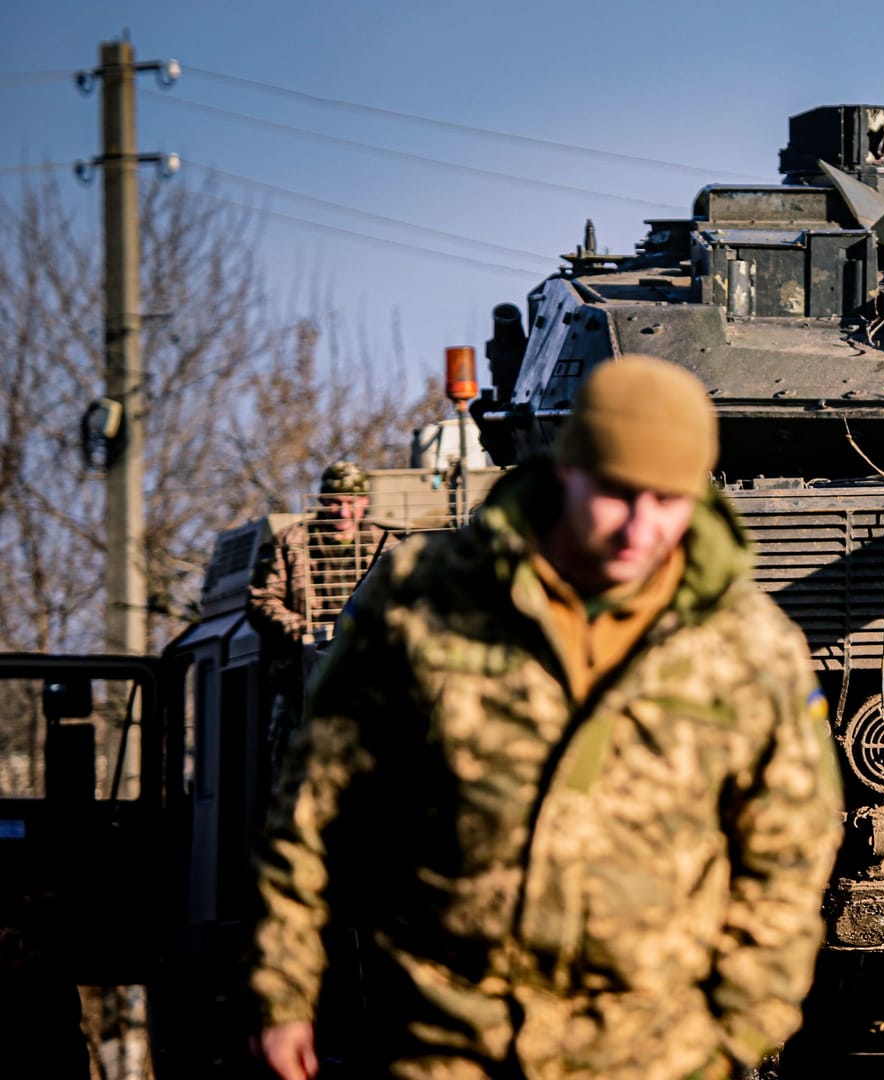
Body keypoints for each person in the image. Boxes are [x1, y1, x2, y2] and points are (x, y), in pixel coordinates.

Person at [250, 355, 843, 1080]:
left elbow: (791, 845)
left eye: (668, 500)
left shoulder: (748, 645)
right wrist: (284, 993)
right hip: (447, 1042)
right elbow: (313, 807)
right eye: (617, 494)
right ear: (567, 471)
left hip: (655, 1053)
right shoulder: (426, 601)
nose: (639, 528)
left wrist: (744, 1024)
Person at [247, 460, 395, 770]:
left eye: (351, 503)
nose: (342, 512)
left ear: (364, 503)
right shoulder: (292, 543)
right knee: (291, 762)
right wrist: (304, 630)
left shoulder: (385, 546)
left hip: (369, 677)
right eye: (334, 502)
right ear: (322, 500)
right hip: (300, 680)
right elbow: (261, 601)